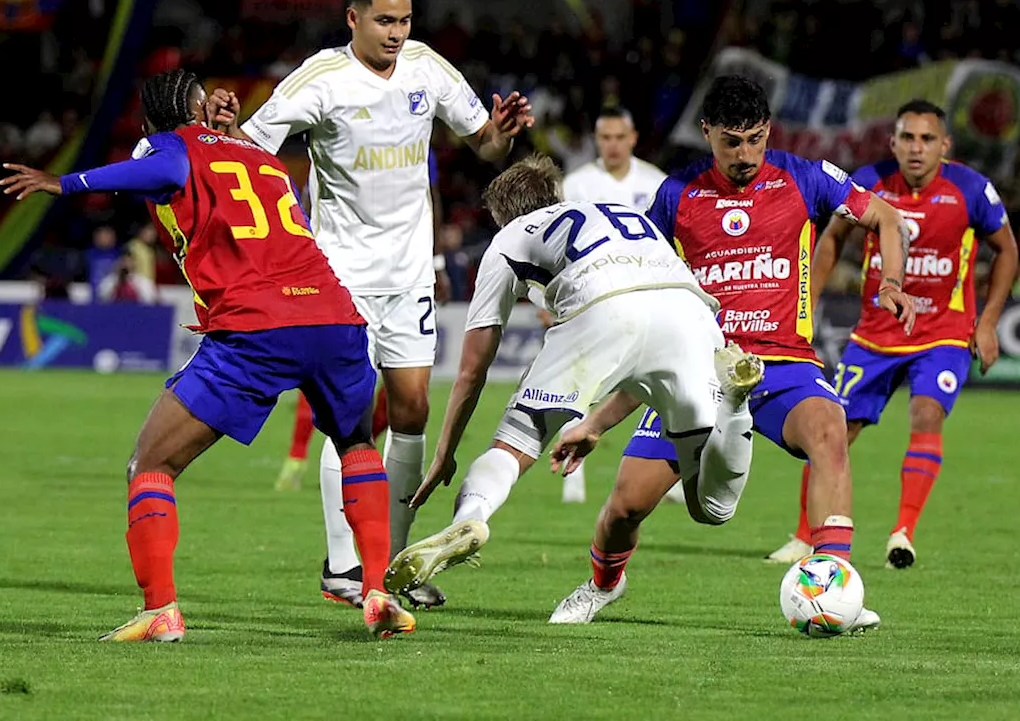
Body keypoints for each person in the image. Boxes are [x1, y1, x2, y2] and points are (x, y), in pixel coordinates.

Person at [0, 70, 415, 641]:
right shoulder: (261, 156)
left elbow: (168, 166)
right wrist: (225, 132)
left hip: (256, 327)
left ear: (152, 123)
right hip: (333, 317)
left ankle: (160, 611)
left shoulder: (175, 147)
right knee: (357, 445)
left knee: (150, 464)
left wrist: (65, 182)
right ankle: (375, 590)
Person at [207, 0, 534, 610]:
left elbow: (485, 147)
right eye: (384, 20)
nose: (396, 32)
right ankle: (344, 565)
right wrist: (224, 126)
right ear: (352, 18)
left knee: (411, 413)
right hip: (339, 276)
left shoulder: (426, 67)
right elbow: (250, 146)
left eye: (405, 20)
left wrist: (501, 131)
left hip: (409, 272)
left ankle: (393, 566)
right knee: (350, 419)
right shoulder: (320, 79)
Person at [546, 75, 914, 626]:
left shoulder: (803, 177)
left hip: (784, 364)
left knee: (830, 430)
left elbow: (883, 216)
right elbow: (650, 310)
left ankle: (834, 588)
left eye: (755, 140)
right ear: (707, 133)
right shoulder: (676, 195)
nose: (745, 155)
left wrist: (890, 280)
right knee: (625, 506)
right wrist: (597, 421)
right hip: (697, 369)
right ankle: (603, 584)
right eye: (731, 141)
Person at [382, 155, 769, 599]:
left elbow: (473, 368)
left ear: (503, 214)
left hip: (599, 309)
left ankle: (469, 518)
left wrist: (446, 452)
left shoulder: (511, 236)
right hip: (690, 313)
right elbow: (641, 359)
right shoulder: (615, 211)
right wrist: (596, 423)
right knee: (712, 507)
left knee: (516, 443)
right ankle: (736, 405)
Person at [766, 99, 1019, 569]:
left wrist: (987, 323)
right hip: (875, 335)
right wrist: (802, 313)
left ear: (945, 145)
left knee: (926, 413)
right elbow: (831, 242)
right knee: (831, 430)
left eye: (927, 139)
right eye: (907, 138)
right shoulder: (868, 183)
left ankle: (903, 533)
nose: (916, 148)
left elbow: (1006, 251)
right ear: (893, 142)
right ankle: (804, 537)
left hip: (943, 331)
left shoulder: (971, 189)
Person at [274, 150, 448, 495]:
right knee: (341, 397)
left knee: (409, 402)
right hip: (345, 277)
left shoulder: (415, 129)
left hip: (405, 280)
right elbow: (308, 196)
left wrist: (437, 260)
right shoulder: (331, 115)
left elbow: (430, 196)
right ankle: (337, 540)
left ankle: (381, 514)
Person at [558, 106, 671, 504]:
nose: (612, 145)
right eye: (605, 138)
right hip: (592, 299)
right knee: (581, 384)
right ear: (596, 140)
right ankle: (572, 474)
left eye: (619, 137)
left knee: (658, 381)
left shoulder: (656, 182)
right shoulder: (576, 185)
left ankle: (666, 466)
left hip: (646, 297)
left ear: (633, 138)